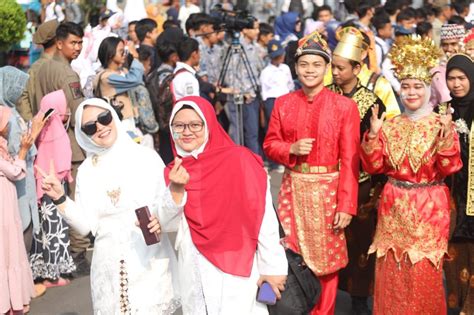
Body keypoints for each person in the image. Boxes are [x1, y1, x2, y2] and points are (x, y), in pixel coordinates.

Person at [37, 98, 182, 313]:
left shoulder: (146, 157)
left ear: (113, 116)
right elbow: (86, 225)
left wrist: (161, 219)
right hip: (109, 267)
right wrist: (60, 197)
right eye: (90, 127)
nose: (101, 128)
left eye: (104, 118)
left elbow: (168, 209)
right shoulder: (87, 170)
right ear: (84, 134)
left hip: (148, 260)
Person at [360, 35, 462, 314]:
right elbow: (373, 167)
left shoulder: (440, 124)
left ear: (428, 88)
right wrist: (372, 135)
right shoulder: (390, 125)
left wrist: (444, 138)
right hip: (393, 206)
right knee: (391, 270)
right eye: (405, 86)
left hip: (430, 206)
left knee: (422, 274)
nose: (411, 92)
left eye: (418, 86)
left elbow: (450, 168)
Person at [264, 31, 360, 315]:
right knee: (292, 254)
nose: (309, 70)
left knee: (327, 260)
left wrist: (346, 204)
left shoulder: (345, 106)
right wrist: (290, 148)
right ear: (296, 67)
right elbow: (269, 144)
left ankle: (325, 311)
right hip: (293, 188)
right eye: (304, 64)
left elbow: (351, 159)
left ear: (326, 68)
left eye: (316, 65)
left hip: (329, 191)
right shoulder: (283, 103)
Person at [166, 95, 287, 314]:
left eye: (195, 124)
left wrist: (273, 266)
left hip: (238, 265)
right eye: (179, 126)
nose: (186, 132)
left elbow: (263, 215)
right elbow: (168, 224)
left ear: (209, 124)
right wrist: (176, 189)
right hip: (195, 267)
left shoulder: (239, 159)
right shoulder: (172, 172)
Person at [327, 27, 386, 315]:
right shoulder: (325, 95)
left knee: (361, 243)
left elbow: (379, 148)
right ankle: (326, 295)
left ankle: (360, 299)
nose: (335, 73)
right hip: (327, 180)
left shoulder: (373, 102)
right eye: (333, 67)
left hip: (361, 183)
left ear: (357, 68)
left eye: (340, 68)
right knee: (329, 239)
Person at [35, 21, 89, 274]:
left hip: (47, 144)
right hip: (70, 146)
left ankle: (63, 254)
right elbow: (80, 111)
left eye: (80, 42)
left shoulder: (41, 69)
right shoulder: (67, 74)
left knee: (56, 200)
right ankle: (78, 254)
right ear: (59, 43)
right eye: (73, 42)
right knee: (76, 199)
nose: (78, 47)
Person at [30, 90, 76, 288]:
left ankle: (43, 271)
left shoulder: (39, 124)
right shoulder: (57, 130)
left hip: (40, 184)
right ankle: (54, 275)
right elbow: (64, 160)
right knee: (55, 230)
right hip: (54, 186)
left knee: (43, 231)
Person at [0, 106, 44, 315]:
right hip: (3, 205)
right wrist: (24, 149)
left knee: (8, 248)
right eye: (7, 122)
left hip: (6, 201)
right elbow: (16, 172)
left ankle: (13, 299)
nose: (9, 127)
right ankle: (10, 302)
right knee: (7, 248)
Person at [442, 53, 474, 315]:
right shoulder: (442, 111)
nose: (456, 84)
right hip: (451, 196)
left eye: (461, 78)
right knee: (454, 259)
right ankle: (457, 307)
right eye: (451, 78)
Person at [94, 36, 143, 134]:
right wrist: (135, 56)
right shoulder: (106, 77)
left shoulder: (123, 71)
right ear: (110, 54)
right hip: (120, 122)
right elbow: (135, 79)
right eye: (121, 51)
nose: (124, 54)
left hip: (129, 119)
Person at [260, 39, 294, 173]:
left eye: (280, 55)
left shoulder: (285, 68)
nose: (279, 58)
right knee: (274, 130)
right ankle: (273, 162)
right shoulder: (266, 72)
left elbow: (290, 85)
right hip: (272, 101)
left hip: (286, 99)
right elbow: (264, 92)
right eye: (276, 56)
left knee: (287, 130)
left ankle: (285, 158)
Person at [17, 19, 59, 121]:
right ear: (58, 41)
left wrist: (32, 124)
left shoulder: (35, 67)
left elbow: (23, 99)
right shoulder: (55, 66)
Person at [430, 23, 465, 108]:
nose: (449, 49)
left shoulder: (471, 66)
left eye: (453, 44)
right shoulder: (435, 71)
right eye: (445, 45)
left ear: (462, 44)